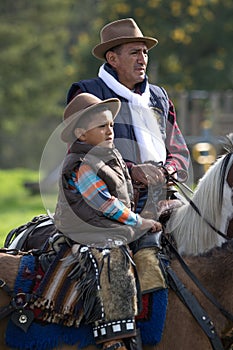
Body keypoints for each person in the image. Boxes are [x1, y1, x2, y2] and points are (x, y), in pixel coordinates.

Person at [54, 92, 163, 350]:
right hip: (88, 229)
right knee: (114, 261)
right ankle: (113, 338)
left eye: (111, 125)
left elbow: (122, 196)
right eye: (102, 126)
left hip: (107, 225)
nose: (110, 130)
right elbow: (105, 204)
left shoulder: (109, 157)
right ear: (81, 134)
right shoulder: (81, 164)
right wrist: (138, 221)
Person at [66, 17, 190, 215]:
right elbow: (81, 152)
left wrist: (167, 170)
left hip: (164, 195)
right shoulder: (87, 94)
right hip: (107, 197)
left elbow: (179, 151)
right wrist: (131, 170)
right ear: (112, 59)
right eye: (134, 53)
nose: (142, 59)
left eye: (145, 53)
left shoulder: (160, 97)